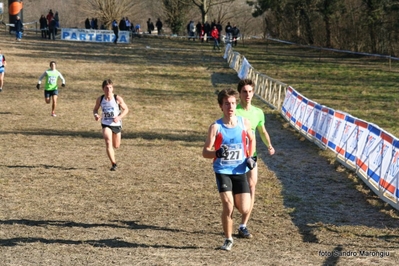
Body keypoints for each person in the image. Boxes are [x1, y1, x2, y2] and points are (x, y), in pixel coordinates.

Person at [202, 88, 256, 251]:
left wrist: (251, 157)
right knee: (228, 205)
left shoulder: (244, 123)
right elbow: (205, 152)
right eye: (227, 104)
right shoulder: (215, 127)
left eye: (233, 103)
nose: (230, 107)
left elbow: (252, 139)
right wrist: (217, 152)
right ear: (221, 106)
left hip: (240, 170)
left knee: (245, 208)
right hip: (223, 171)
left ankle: (235, 199)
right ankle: (228, 239)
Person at [235, 79, 275, 239]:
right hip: (236, 156)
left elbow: (263, 131)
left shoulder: (258, 112)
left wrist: (269, 145)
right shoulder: (234, 111)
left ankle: (243, 225)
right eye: (244, 91)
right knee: (236, 191)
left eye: (250, 91)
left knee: (252, 186)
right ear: (239, 94)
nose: (248, 95)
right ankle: (235, 211)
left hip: (252, 156)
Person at [93, 79, 129, 171]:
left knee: (116, 146)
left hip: (116, 124)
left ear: (112, 88)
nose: (108, 90)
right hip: (106, 123)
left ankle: (113, 152)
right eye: (106, 88)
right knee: (108, 142)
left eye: (110, 88)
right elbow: (95, 109)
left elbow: (126, 109)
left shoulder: (117, 98)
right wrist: (96, 115)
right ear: (103, 89)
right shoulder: (100, 99)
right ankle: (113, 164)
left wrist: (119, 117)